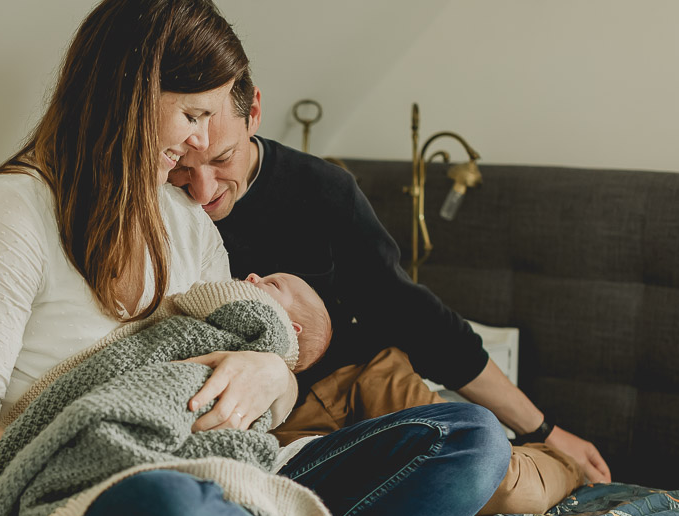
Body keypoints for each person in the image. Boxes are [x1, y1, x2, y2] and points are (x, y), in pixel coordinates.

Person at [0, 0, 511, 516]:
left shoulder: (184, 223)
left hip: (230, 475)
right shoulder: (5, 220)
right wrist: (118, 455)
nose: (202, 141)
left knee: (470, 439)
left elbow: (247, 349)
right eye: (193, 114)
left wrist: (271, 374)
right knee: (168, 505)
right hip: (81, 505)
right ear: (126, 97)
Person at [167, 73, 612, 494]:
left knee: (488, 477)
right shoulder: (159, 206)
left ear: (255, 112)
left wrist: (544, 430)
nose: (203, 192)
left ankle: (558, 467)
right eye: (182, 168)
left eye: (223, 159)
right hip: (282, 415)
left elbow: (412, 315)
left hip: (367, 376)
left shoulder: (322, 189)